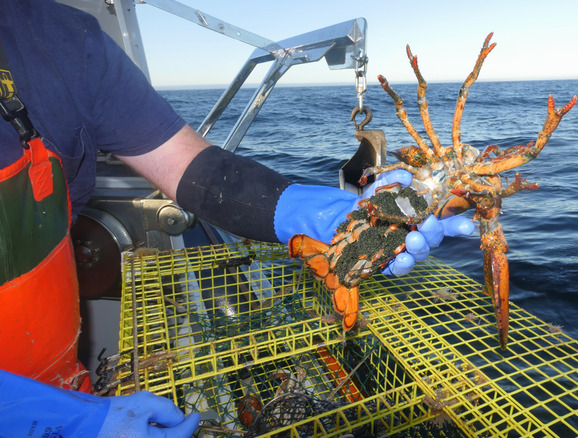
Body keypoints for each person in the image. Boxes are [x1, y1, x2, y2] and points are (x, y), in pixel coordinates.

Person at [0, 0, 474, 436]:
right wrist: (28, 412)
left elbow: (195, 169)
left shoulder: (64, 40)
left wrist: (319, 214)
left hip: (64, 378)